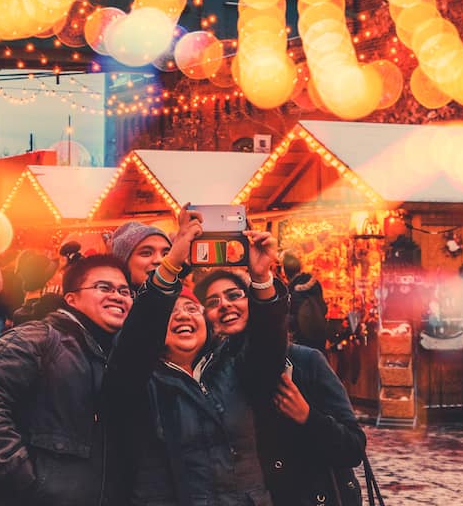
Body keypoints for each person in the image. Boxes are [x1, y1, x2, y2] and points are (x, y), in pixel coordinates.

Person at [103, 216, 288, 506]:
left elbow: (269, 348)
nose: (182, 315)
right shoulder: (141, 381)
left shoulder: (233, 368)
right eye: (171, 312)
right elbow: (133, 349)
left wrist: (262, 278)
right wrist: (171, 264)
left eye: (191, 307)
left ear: (205, 322)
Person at [0, 253, 135, 506]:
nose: (117, 296)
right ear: (71, 298)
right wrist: (24, 478)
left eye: (125, 291)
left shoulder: (114, 355)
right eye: (103, 287)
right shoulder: (38, 337)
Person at [194, 269, 366, 506]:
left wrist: (307, 417)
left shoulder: (306, 362)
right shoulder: (205, 372)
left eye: (234, 295)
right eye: (213, 302)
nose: (224, 304)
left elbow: (353, 447)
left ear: (254, 302)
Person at [283, 252, 329, 352]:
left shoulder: (292, 292)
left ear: (285, 272)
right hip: (319, 338)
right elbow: (324, 308)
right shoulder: (315, 284)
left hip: (301, 342)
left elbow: (292, 320)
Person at [110, 221, 172, 288]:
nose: (160, 260)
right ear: (123, 261)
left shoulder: (182, 296)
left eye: (166, 254)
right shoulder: (106, 297)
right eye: (146, 253)